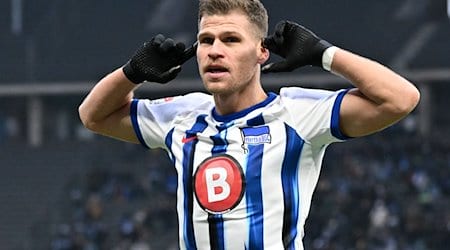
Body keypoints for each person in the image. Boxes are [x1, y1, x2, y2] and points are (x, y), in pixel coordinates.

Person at [78, 0, 420, 249]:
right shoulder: (181, 117)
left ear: (261, 52)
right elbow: (92, 115)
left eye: (231, 40)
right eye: (206, 41)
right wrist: (132, 73)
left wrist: (322, 54)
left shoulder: (296, 114)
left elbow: (401, 99)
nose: (214, 51)